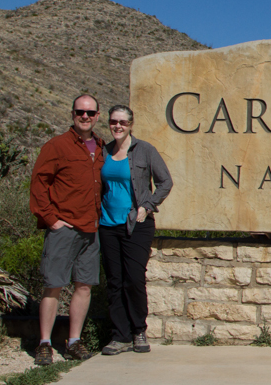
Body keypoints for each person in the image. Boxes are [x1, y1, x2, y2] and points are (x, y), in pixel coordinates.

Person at [29, 94, 105, 365]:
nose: (85, 117)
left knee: (84, 286)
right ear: (72, 114)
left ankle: (74, 340)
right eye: (80, 112)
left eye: (90, 113)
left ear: (98, 116)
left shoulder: (100, 146)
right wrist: (51, 219)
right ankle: (44, 343)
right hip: (64, 227)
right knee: (53, 285)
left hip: (91, 227)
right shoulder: (57, 145)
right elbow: (39, 184)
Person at [98, 104, 173, 355]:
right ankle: (119, 336)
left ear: (131, 124)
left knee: (133, 278)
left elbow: (165, 181)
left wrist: (148, 205)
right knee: (114, 281)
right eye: (113, 122)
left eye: (122, 122)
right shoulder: (103, 151)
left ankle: (138, 330)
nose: (117, 126)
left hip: (137, 225)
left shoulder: (144, 150)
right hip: (108, 224)